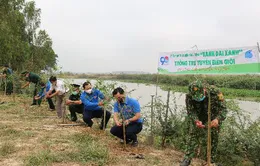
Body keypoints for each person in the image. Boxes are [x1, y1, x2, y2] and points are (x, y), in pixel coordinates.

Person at [180, 80, 227, 166]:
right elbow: (191, 111)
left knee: (213, 139)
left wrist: (217, 119)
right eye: (196, 97)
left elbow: (223, 109)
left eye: (200, 96)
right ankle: (187, 159)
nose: (198, 99)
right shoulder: (189, 96)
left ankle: (210, 161)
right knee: (192, 137)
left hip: (213, 119)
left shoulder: (215, 92)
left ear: (204, 89)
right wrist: (196, 120)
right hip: (199, 119)